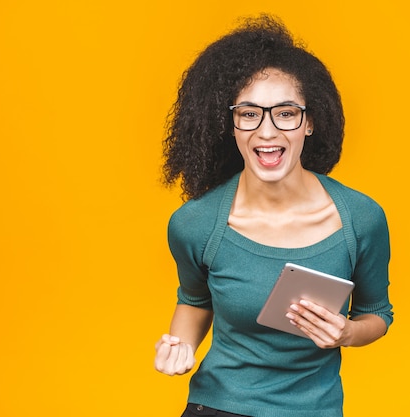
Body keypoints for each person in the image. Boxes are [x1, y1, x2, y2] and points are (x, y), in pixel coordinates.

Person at [154, 14, 393, 417]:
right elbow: (194, 301)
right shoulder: (196, 224)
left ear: (310, 122)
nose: (266, 132)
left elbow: (377, 312)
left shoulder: (361, 218)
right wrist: (179, 348)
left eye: (285, 113)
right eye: (249, 114)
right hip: (218, 405)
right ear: (230, 123)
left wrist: (348, 333)